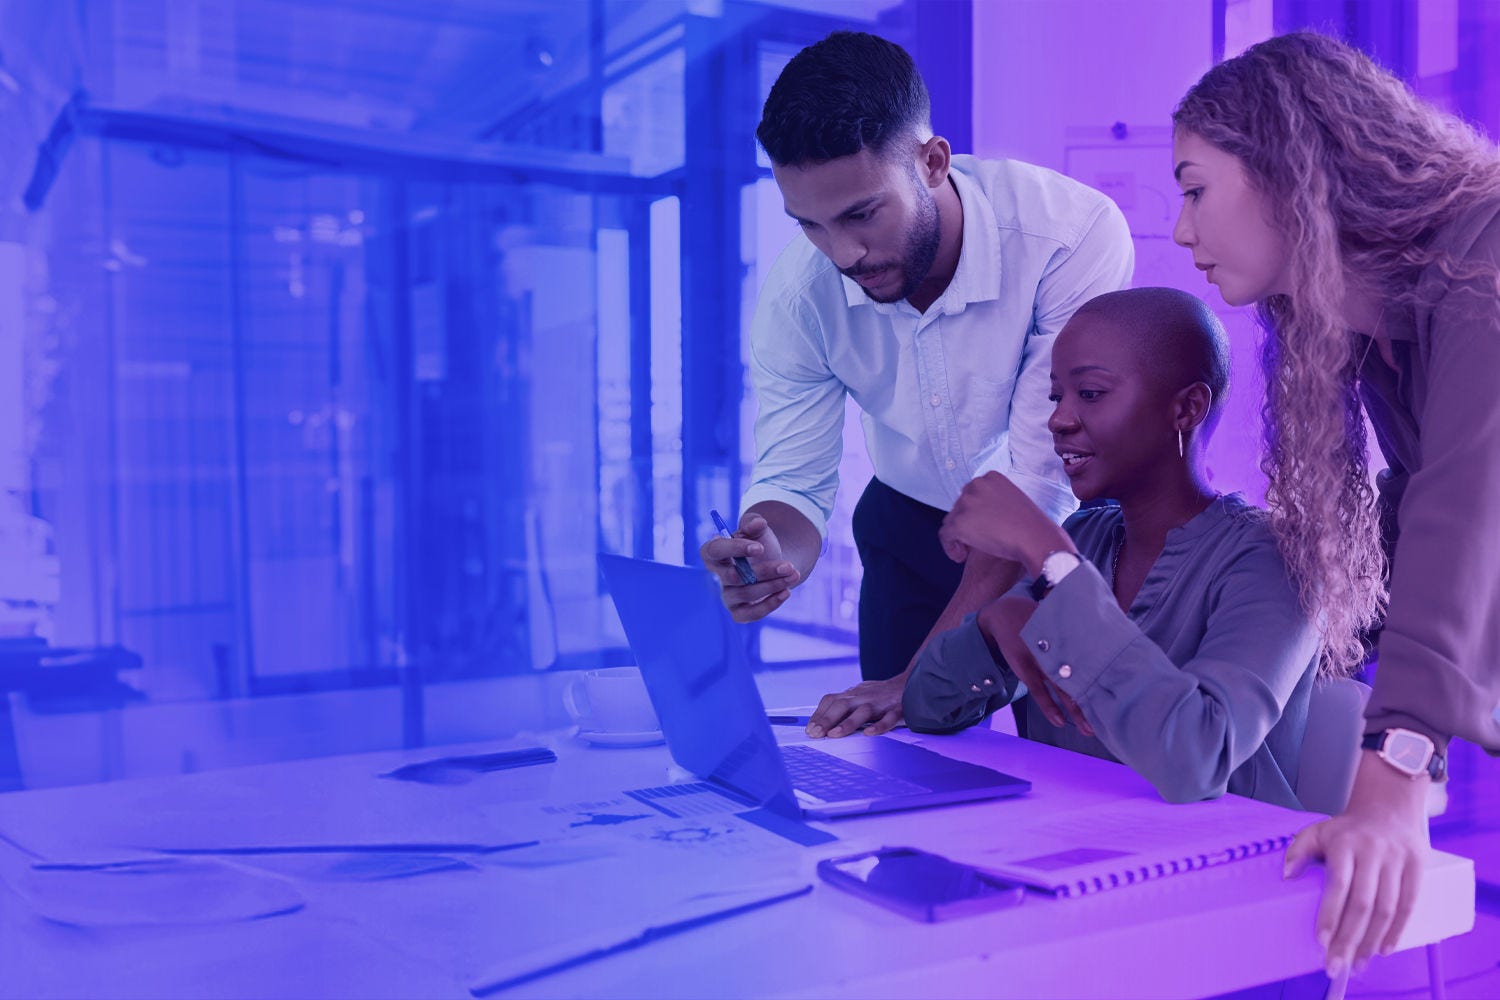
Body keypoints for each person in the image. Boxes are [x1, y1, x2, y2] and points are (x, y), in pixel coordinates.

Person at [1171, 31, 1500, 978]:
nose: (1183, 232)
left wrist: (1394, 775)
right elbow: (1413, 508)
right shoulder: (1387, 319)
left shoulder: (1485, 256)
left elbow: (1465, 502)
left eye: (1195, 190)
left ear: (1288, 171)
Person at [698, 31, 1133, 734]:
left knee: (1062, 762)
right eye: (810, 225)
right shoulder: (799, 297)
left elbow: (1039, 482)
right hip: (908, 526)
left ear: (932, 162)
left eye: (861, 214)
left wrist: (918, 678)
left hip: (1057, 534)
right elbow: (794, 482)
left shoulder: (1068, 236)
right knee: (902, 761)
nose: (843, 253)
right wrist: (772, 554)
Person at [903, 287, 1320, 809]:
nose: (1059, 420)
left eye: (1091, 393)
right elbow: (926, 707)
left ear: (1187, 408)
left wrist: (1048, 553)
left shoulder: (1274, 558)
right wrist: (989, 632)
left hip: (1217, 855)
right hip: (1062, 844)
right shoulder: (1086, 538)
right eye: (1057, 397)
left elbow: (1199, 757)